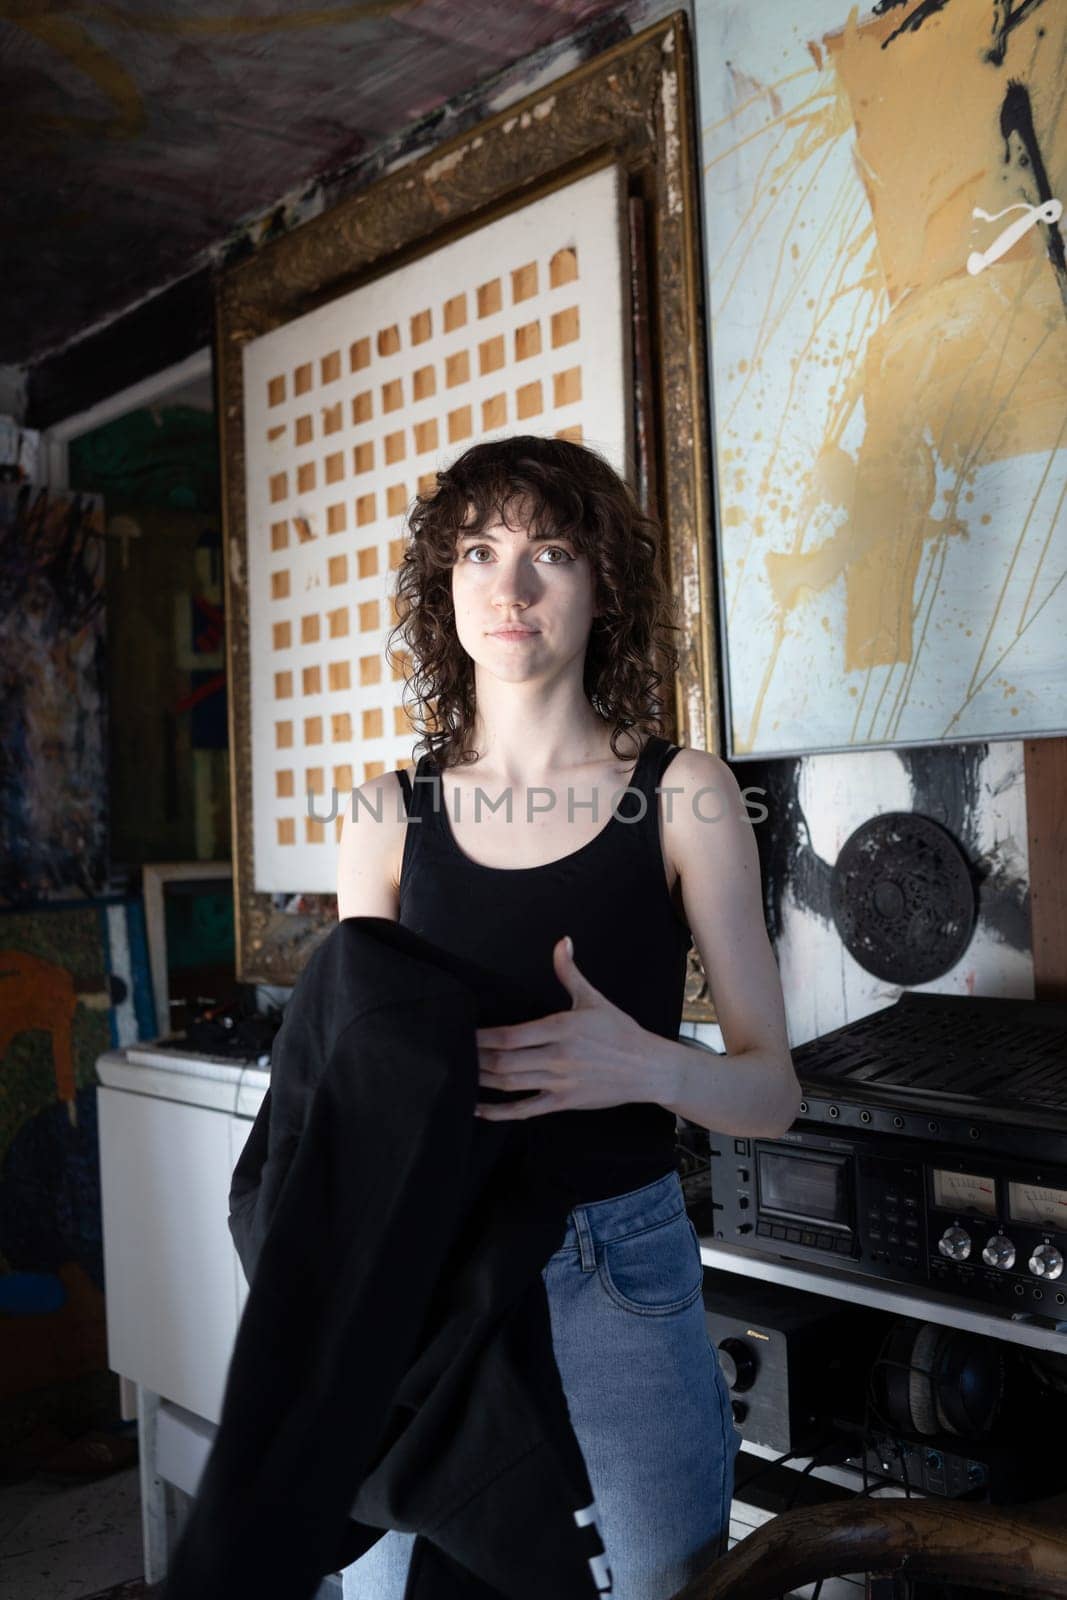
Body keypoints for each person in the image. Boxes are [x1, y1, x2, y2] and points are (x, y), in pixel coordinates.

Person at [336, 434, 801, 1600]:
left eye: (549, 550)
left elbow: (770, 1091)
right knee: (397, 1590)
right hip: (423, 1270)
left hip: (617, 1266)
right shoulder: (385, 814)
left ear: (601, 586)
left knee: (654, 1587)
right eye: (478, 550)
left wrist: (640, 1062)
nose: (510, 584)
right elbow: (360, 1084)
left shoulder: (686, 791)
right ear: (444, 586)